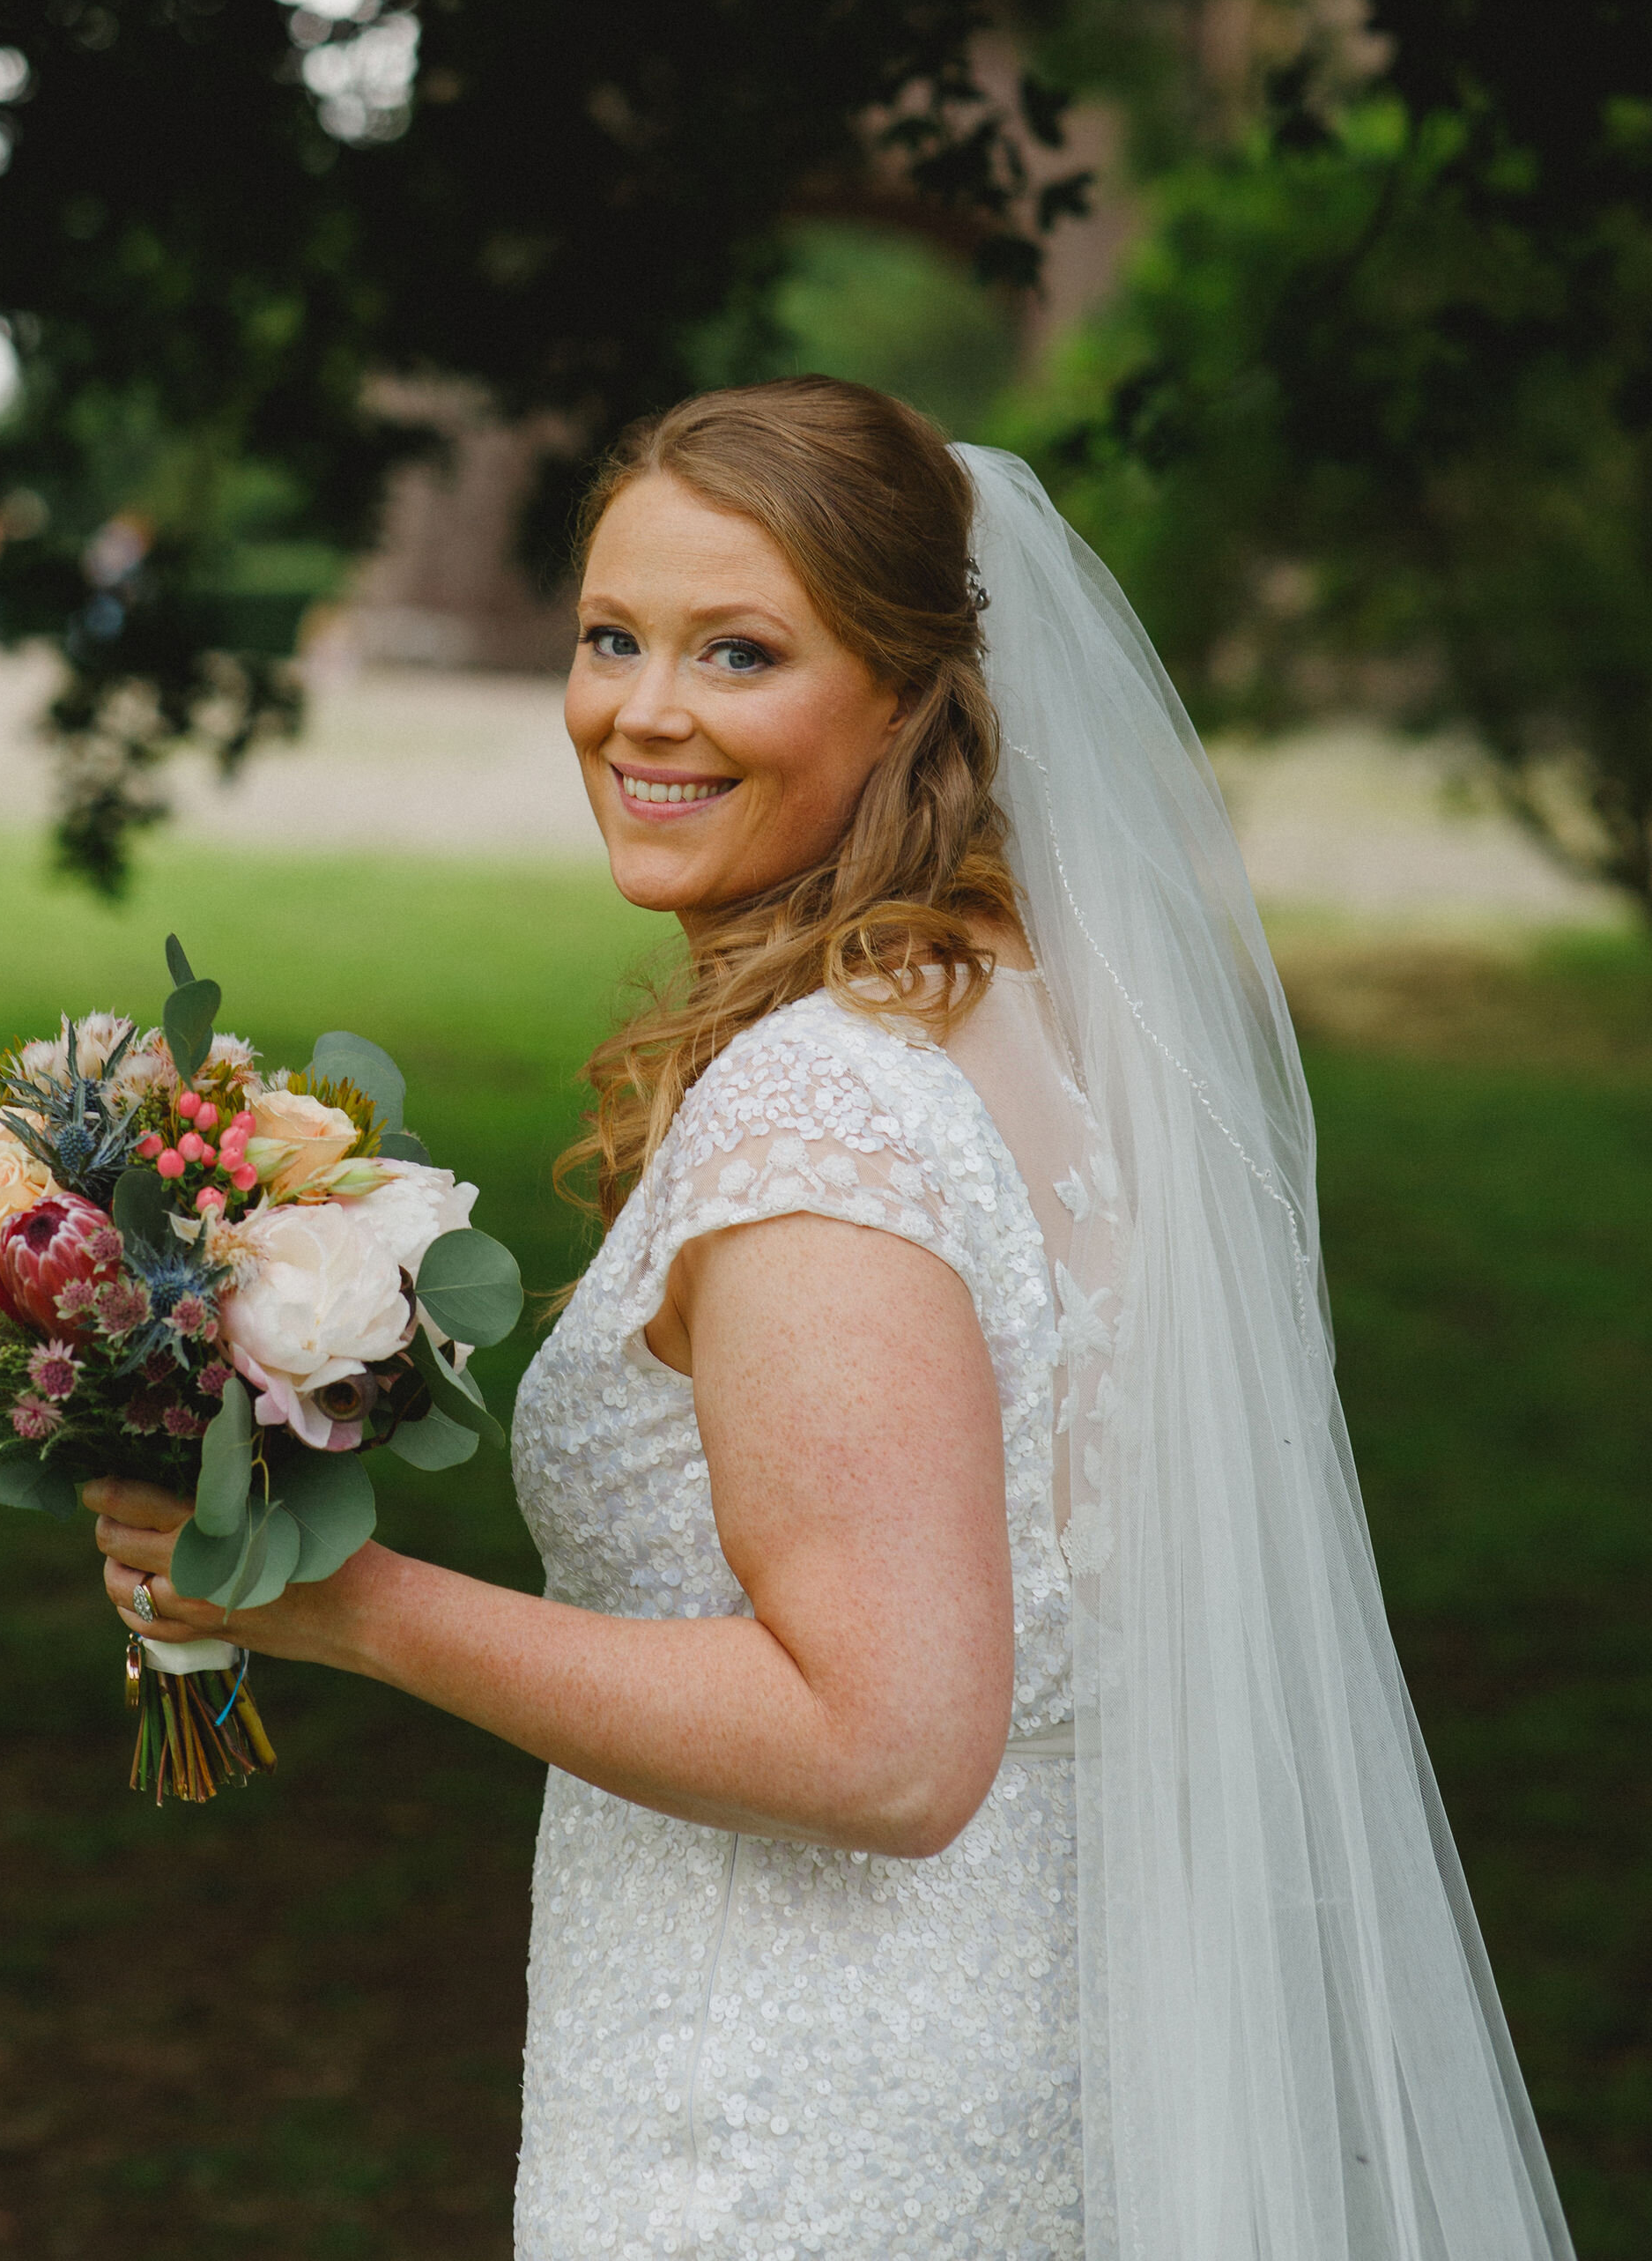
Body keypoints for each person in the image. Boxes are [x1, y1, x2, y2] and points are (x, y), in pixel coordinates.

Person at [86, 378, 1574, 2261]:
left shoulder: (825, 1111)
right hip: (1018, 2056)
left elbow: (881, 1741)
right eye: (611, 637)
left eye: (739, 651)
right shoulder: (1029, 1026)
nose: (642, 709)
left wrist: (337, 1607)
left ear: (909, 694)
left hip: (787, 2130)